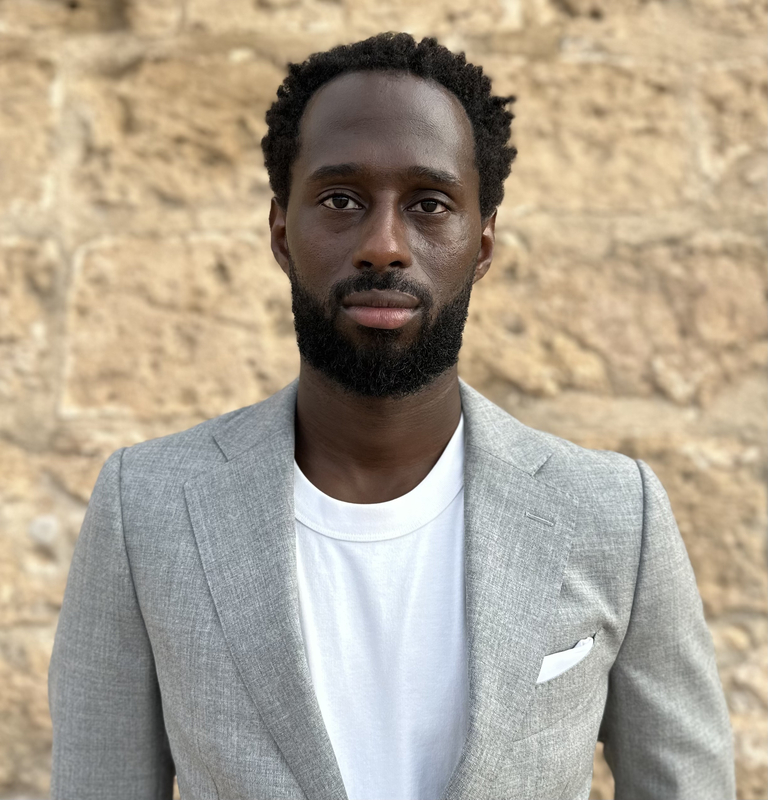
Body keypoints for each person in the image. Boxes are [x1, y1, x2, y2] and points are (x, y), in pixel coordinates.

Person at [48, 32, 735, 800]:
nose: (383, 246)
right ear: (281, 231)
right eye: (341, 200)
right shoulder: (147, 506)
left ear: (482, 242)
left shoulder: (613, 515)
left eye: (429, 205)